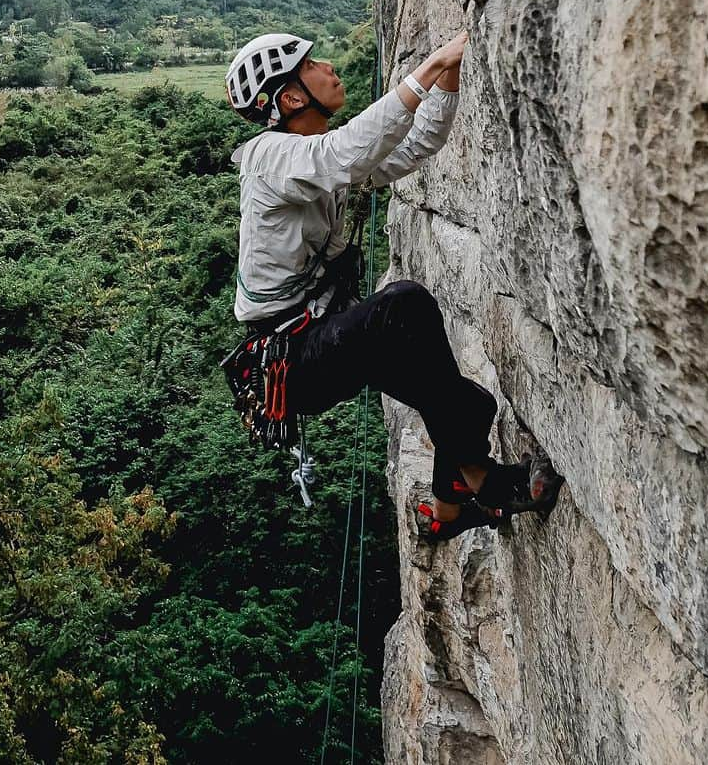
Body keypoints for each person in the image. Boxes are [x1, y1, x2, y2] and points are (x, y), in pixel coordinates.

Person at [224, 31, 561, 542]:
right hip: (292, 357)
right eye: (311, 63)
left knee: (467, 405)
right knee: (403, 305)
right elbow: (343, 156)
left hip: (319, 336)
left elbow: (414, 145)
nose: (329, 65)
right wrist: (428, 67)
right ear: (292, 97)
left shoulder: (312, 159)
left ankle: (449, 513)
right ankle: (484, 481)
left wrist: (446, 80)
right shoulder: (270, 157)